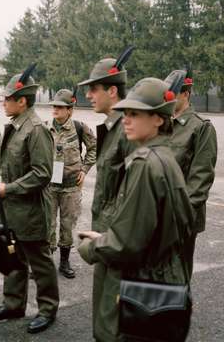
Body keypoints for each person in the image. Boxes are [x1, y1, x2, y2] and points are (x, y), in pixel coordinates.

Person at [78, 77, 195, 342]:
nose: (126, 120)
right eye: (126, 113)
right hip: (164, 273)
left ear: (158, 119)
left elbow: (126, 243)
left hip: (142, 278)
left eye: (135, 114)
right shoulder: (165, 157)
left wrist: (91, 247)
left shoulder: (144, 164)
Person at [0, 64, 59, 334]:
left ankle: (48, 308)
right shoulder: (17, 125)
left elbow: (42, 174)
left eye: (8, 99)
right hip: (13, 208)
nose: (3, 103)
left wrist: (9, 189)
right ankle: (13, 304)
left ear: (22, 101)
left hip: (30, 209)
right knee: (14, 257)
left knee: (39, 261)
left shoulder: (35, 129)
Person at [77, 50, 135, 333]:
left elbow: (134, 196)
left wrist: (111, 236)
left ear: (112, 91)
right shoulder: (112, 128)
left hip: (117, 239)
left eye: (94, 89)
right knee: (103, 313)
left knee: (114, 321)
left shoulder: (128, 130)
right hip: (106, 236)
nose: (88, 95)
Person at [164, 70, 218, 277]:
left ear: (185, 94)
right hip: (158, 212)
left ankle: (180, 306)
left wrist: (178, 213)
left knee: (179, 270)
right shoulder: (163, 123)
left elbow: (201, 178)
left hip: (182, 216)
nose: (166, 98)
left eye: (172, 93)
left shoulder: (201, 127)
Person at [47, 88, 96, 278]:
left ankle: (64, 262)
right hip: (50, 186)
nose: (55, 110)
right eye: (54, 107)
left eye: (60, 107)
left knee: (67, 225)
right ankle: (46, 263)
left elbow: (93, 148)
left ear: (70, 109)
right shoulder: (44, 127)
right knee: (48, 224)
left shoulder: (79, 127)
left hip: (71, 186)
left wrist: (84, 170)